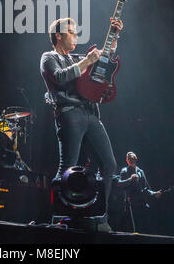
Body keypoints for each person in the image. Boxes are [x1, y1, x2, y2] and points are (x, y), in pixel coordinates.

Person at [40, 16, 123, 231]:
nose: (76, 36)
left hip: (92, 114)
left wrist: (113, 39)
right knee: (67, 168)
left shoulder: (77, 57)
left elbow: (103, 61)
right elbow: (59, 77)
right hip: (69, 113)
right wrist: (86, 61)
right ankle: (60, 219)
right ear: (58, 35)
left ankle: (98, 216)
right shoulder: (48, 57)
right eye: (72, 32)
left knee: (109, 164)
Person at [116, 151, 162, 233]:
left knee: (144, 227)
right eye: (129, 159)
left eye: (133, 158)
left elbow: (145, 188)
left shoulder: (141, 171)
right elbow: (119, 184)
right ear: (127, 160)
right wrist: (130, 179)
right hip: (130, 204)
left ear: (136, 159)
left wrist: (154, 193)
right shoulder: (124, 170)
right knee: (132, 228)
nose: (131, 160)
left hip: (142, 203)